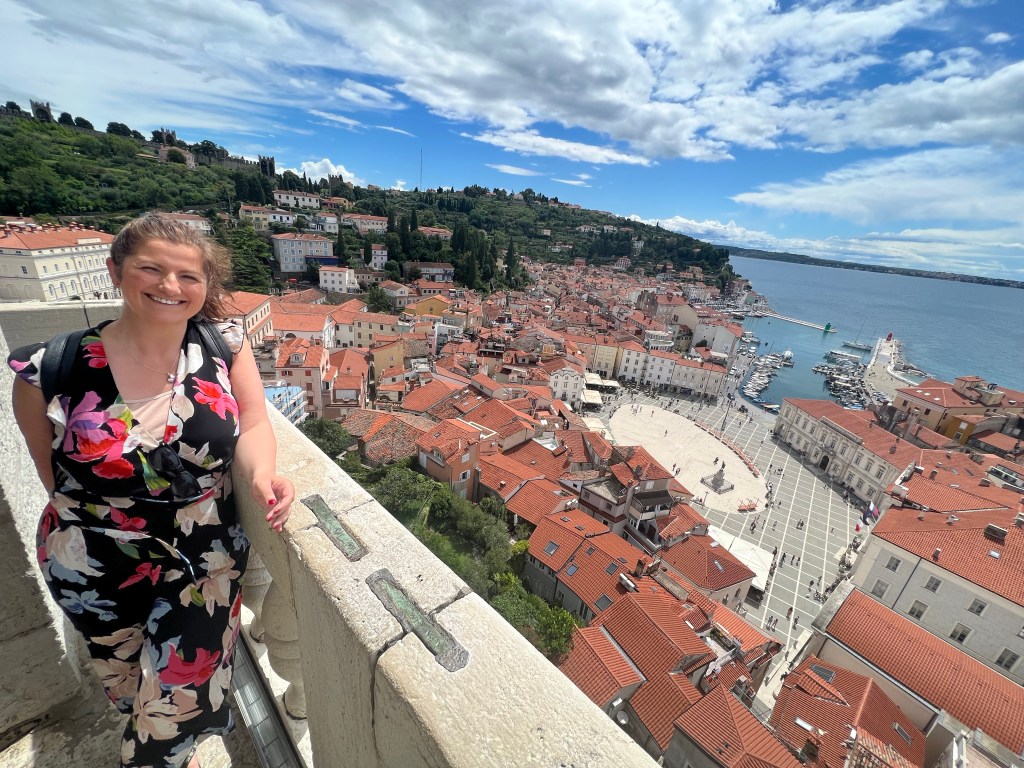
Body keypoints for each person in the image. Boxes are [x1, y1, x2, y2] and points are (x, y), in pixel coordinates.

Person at [9, 214, 295, 768]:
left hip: (203, 554)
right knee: (125, 678)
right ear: (116, 271)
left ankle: (160, 753)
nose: (170, 286)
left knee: (179, 696)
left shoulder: (224, 346)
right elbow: (50, 470)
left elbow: (256, 421)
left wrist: (262, 474)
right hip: (93, 559)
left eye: (188, 276)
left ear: (205, 286)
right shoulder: (50, 368)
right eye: (151, 269)